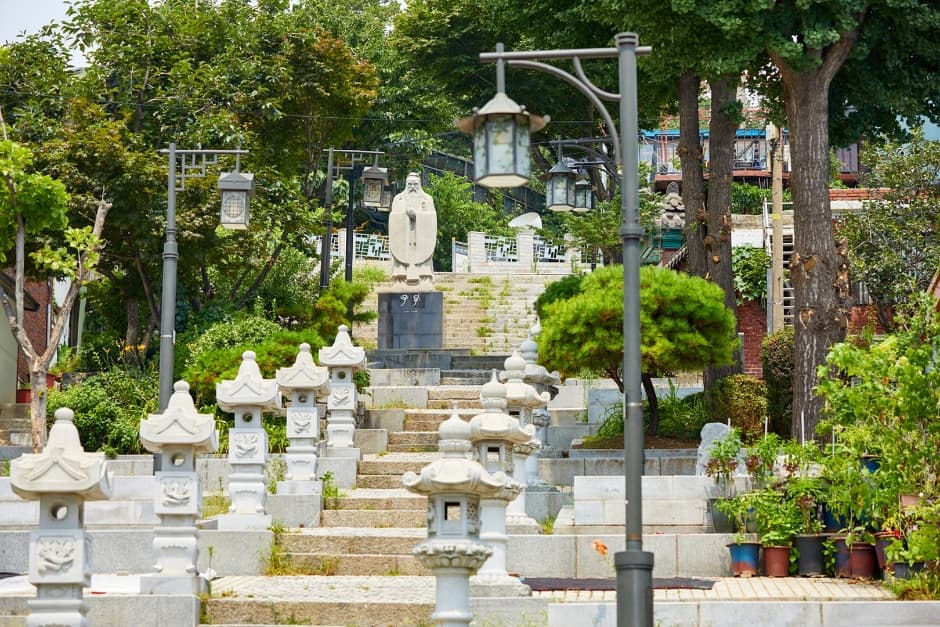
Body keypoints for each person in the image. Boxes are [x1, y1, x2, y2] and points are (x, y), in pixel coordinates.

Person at [388, 172, 436, 289]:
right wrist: (404, 216)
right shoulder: (398, 199)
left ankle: (425, 280)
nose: (413, 187)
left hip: (421, 237)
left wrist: (418, 215)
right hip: (403, 236)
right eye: (410, 184)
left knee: (424, 260)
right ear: (405, 184)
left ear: (420, 184)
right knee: (400, 262)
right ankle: (400, 280)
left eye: (415, 184)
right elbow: (393, 217)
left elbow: (432, 217)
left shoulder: (427, 199)